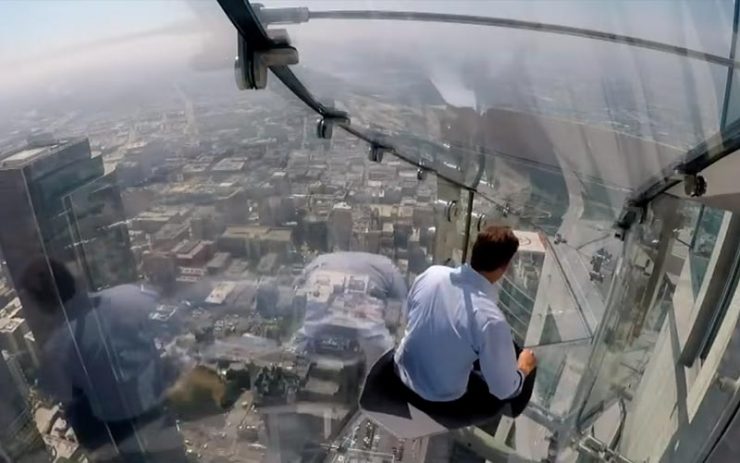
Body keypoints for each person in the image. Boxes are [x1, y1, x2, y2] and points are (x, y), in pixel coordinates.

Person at [21, 258, 187, 462]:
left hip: (117, 431)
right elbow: (173, 322)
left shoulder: (56, 350)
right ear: (73, 280)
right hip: (158, 408)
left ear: (42, 304)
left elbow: (61, 395)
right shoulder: (129, 295)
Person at [393, 225, 537, 417]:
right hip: (436, 399)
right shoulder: (490, 320)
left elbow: (411, 315)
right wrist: (523, 369)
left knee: (472, 342)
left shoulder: (431, 274)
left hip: (399, 372)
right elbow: (504, 390)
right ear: (505, 267)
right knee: (521, 364)